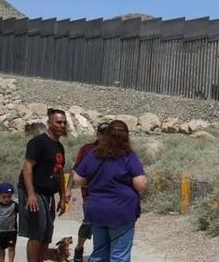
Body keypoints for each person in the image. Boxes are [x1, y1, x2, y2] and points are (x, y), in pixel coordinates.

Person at [73, 120, 147, 262]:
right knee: (119, 255)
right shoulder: (128, 156)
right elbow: (140, 184)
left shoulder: (94, 154)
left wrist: (95, 181)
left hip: (97, 210)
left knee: (100, 253)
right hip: (121, 211)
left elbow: (78, 178)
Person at [18, 108, 70, 262]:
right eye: (58, 122)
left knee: (47, 233)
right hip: (34, 191)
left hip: (48, 194)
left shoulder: (59, 147)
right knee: (37, 232)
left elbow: (59, 172)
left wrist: (61, 197)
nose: (62, 125)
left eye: (64, 123)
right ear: (49, 123)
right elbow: (27, 167)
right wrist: (31, 194)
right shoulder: (38, 142)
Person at [71, 121, 109, 262]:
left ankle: (102, 253)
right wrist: (69, 190)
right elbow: (76, 170)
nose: (105, 137)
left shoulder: (115, 151)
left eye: (108, 134)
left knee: (106, 224)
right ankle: (79, 248)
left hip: (109, 196)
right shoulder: (87, 149)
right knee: (88, 223)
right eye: (102, 134)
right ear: (97, 134)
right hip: (90, 195)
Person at [0, 182, 19, 262]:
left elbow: (21, 214)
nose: (6, 199)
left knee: (11, 248)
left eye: (9, 196)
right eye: (4, 197)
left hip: (12, 231)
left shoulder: (14, 205)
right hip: (1, 232)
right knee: (1, 248)